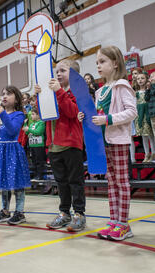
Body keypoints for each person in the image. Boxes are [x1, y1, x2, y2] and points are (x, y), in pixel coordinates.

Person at [78, 46, 137, 241]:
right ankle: (114, 220)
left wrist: (109, 119)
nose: (98, 66)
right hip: (104, 143)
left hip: (118, 140)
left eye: (102, 61)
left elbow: (132, 112)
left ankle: (124, 224)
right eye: (97, 63)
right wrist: (85, 117)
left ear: (115, 63)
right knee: (111, 182)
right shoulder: (100, 91)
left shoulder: (122, 85)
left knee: (121, 182)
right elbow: (98, 116)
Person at [35, 59, 86, 232]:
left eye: (63, 71)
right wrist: (39, 96)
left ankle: (79, 214)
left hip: (71, 144)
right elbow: (43, 115)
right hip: (54, 145)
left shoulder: (77, 93)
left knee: (75, 181)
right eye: (57, 71)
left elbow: (72, 112)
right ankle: (65, 213)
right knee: (61, 182)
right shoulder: (53, 93)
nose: (58, 74)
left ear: (74, 75)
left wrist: (58, 92)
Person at [0, 86, 30, 225]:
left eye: (8, 94)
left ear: (16, 98)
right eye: (3, 94)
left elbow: (13, 130)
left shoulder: (19, 114)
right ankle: (5, 211)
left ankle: (19, 212)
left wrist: (2, 115)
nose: (4, 96)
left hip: (12, 150)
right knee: (4, 182)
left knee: (17, 182)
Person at [135, 73, 155, 162]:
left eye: (142, 78)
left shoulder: (149, 91)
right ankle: (146, 154)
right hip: (140, 117)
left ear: (146, 79)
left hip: (148, 115)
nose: (140, 80)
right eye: (138, 78)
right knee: (144, 136)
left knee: (151, 135)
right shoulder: (136, 93)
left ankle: (154, 153)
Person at [23, 108, 46, 181]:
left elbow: (38, 132)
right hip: (32, 145)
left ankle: (40, 175)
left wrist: (28, 129)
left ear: (38, 115)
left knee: (39, 161)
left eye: (33, 114)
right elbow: (27, 132)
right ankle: (35, 175)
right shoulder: (32, 123)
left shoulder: (41, 123)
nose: (31, 116)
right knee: (34, 161)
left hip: (39, 145)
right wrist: (25, 124)